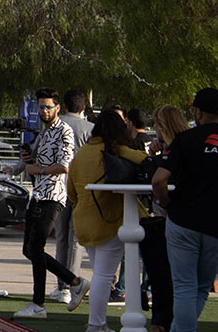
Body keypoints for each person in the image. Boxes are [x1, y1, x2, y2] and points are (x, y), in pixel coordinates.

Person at [5, 87, 87, 320]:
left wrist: (37, 169)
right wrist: (19, 167)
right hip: (38, 195)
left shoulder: (65, 131)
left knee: (36, 248)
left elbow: (65, 165)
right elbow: (33, 162)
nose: (44, 111)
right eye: (40, 107)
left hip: (53, 196)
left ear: (58, 108)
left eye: (48, 107)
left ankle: (41, 302)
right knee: (29, 249)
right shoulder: (43, 132)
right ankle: (74, 282)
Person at [152, 87, 218, 332]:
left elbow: (158, 180)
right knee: (201, 287)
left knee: (184, 286)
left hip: (183, 219)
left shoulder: (187, 139)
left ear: (198, 111)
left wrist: (165, 203)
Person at [67, 110, 147, 332]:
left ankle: (98, 324)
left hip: (84, 221)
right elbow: (145, 160)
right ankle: (96, 325)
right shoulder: (115, 150)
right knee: (103, 276)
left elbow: (71, 192)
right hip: (109, 221)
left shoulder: (82, 154)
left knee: (100, 273)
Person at [139, 104, 191, 332]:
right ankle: (166, 321)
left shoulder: (178, 149)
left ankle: (163, 321)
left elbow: (159, 181)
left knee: (165, 275)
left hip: (174, 218)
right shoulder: (183, 146)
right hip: (185, 218)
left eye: (157, 126)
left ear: (162, 126)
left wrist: (164, 202)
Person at [51, 88, 95, 305]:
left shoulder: (56, 126)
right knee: (75, 239)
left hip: (59, 184)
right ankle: (72, 284)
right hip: (81, 186)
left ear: (65, 106)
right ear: (84, 107)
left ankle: (61, 285)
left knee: (60, 237)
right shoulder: (90, 129)